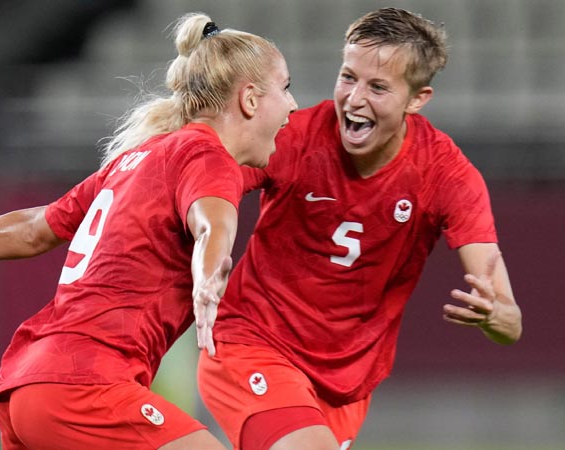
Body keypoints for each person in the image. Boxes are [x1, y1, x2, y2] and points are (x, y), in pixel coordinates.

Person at [0, 13, 297, 450]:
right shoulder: (207, 157)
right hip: (85, 384)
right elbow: (211, 220)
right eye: (285, 89)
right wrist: (209, 272)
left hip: (28, 385)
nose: (292, 106)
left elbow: (34, 229)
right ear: (250, 99)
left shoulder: (138, 159)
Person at [196, 8, 523, 450]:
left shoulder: (446, 176)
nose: (354, 99)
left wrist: (500, 318)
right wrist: (210, 243)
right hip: (253, 343)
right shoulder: (294, 138)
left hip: (345, 384)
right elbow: (210, 183)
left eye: (378, 87)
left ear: (417, 99)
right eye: (348, 77)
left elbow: (505, 311)